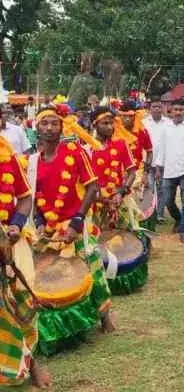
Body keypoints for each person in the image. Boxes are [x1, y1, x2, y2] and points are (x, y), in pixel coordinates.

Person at [33, 107, 115, 338]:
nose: (49, 128)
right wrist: (39, 221)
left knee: (92, 269)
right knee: (49, 276)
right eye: (44, 123)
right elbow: (33, 195)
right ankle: (62, 328)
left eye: (54, 123)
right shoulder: (31, 161)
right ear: (37, 128)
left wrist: (76, 223)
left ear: (61, 127)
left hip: (75, 224)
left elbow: (92, 187)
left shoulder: (75, 152)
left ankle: (104, 316)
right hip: (48, 229)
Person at [0, 135, 51, 388]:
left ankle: (31, 365)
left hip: (8, 245)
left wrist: (16, 225)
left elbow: (24, 197)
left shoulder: (8, 158)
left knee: (20, 305)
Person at [155, 98, 184, 243]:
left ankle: (183, 230)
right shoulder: (165, 129)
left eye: (181, 110)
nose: (178, 112)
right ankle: (179, 219)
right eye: (176, 110)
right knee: (168, 200)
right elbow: (161, 150)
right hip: (169, 170)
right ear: (171, 111)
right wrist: (158, 169)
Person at [89, 107, 137, 229]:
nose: (110, 127)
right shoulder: (87, 149)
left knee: (128, 239)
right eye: (105, 123)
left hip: (118, 200)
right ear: (94, 125)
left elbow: (132, 172)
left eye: (111, 123)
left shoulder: (121, 144)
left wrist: (121, 192)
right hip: (95, 202)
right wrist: (102, 199)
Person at [143, 97, 172, 222]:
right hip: (147, 162)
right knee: (148, 188)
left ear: (163, 108)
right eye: (154, 106)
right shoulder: (144, 123)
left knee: (162, 189)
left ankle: (159, 214)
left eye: (159, 107)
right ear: (150, 108)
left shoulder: (168, 123)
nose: (157, 109)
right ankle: (149, 214)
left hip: (164, 162)